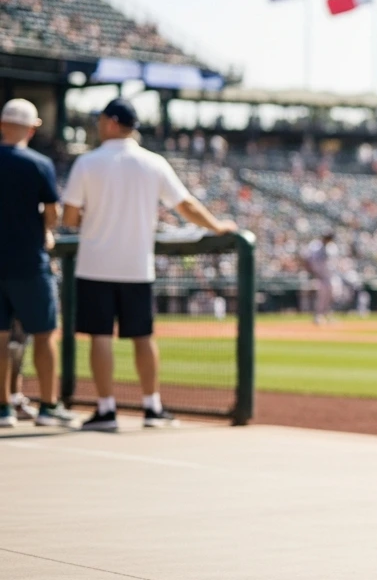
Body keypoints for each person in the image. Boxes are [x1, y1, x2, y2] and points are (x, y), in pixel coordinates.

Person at [61, 98, 237, 432]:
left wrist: (96, 218)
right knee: (143, 337)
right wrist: (216, 226)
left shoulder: (87, 162)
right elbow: (185, 204)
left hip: (95, 264)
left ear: (112, 122)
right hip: (136, 266)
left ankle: (106, 409)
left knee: (100, 337)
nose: (97, 126)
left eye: (100, 120)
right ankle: (152, 407)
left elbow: (70, 217)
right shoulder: (152, 162)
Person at [0, 98, 76, 428]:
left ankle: (3, 409)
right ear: (32, 128)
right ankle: (47, 406)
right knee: (46, 335)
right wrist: (45, 232)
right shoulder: (39, 164)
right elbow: (53, 214)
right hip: (29, 262)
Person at [303, 233, 336, 324]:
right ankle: (318, 316)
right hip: (318, 276)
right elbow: (307, 259)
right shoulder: (315, 245)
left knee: (330, 296)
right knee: (321, 296)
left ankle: (327, 314)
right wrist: (311, 273)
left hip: (329, 276)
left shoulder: (332, 247)